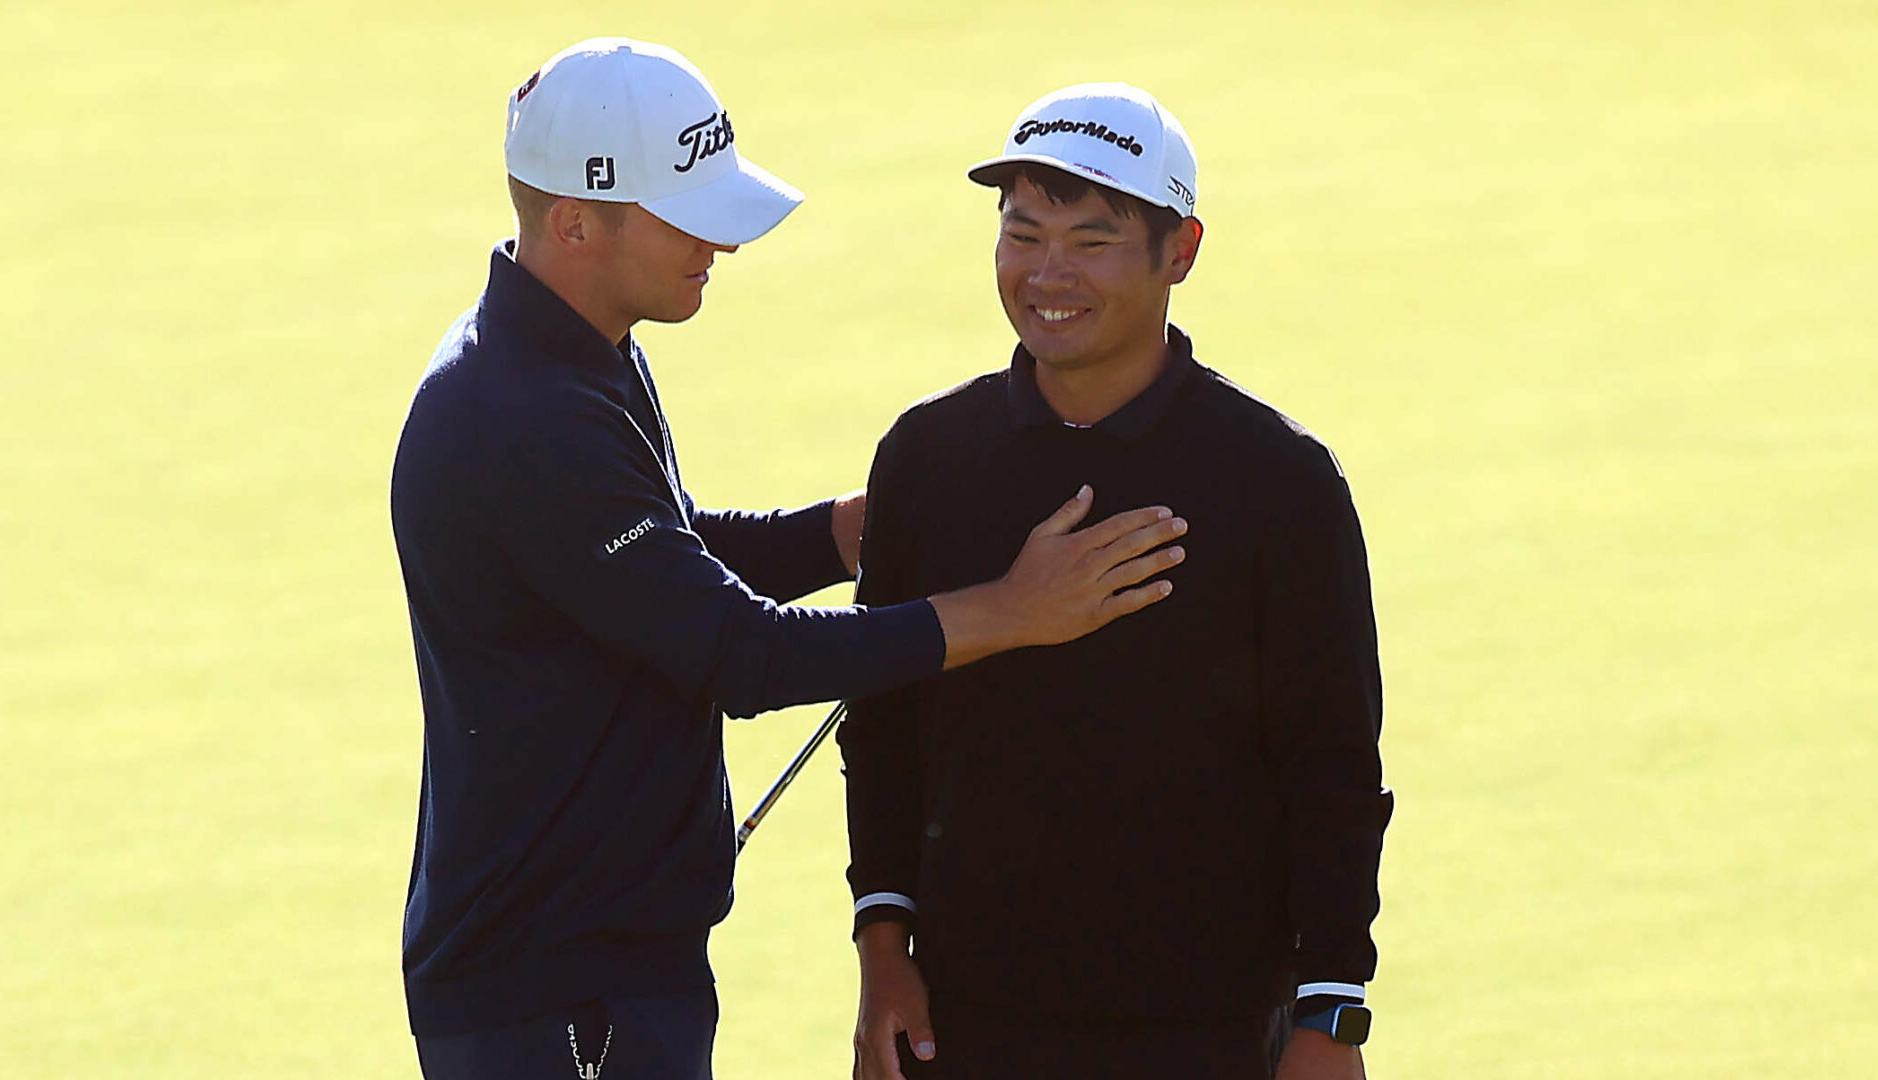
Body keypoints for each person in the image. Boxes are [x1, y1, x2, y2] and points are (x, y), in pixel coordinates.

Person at [390, 42, 1190, 1080]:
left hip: (595, 969)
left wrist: (841, 533)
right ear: (579, 223)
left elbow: (657, 564)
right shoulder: (525, 416)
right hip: (557, 995)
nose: (720, 240)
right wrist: (1008, 610)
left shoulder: (570, 350)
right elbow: (739, 654)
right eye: (689, 212)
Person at [841, 83, 1395, 1080]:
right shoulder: (928, 457)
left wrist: (1331, 1017)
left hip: (1212, 1031)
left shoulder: (1278, 480)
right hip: (966, 1025)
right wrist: (884, 956)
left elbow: (1333, 768)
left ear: (1178, 252)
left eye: (1091, 241)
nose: (1047, 272)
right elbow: (881, 734)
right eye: (1023, 232)